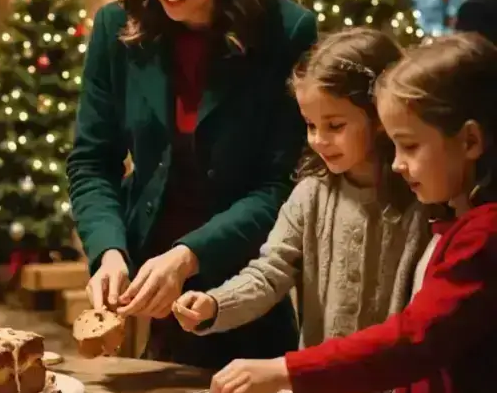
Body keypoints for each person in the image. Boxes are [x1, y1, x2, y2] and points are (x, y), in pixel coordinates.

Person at [66, 0, 317, 369]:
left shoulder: (285, 31)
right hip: (152, 285)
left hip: (249, 282)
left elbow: (282, 185)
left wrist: (189, 255)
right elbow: (92, 162)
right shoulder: (116, 28)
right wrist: (108, 249)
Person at [210, 33, 497, 393]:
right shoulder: (454, 219)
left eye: (410, 146)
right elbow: (270, 269)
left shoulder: (481, 235)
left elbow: (413, 340)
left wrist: (286, 371)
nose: (398, 163)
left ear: (470, 141)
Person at [173, 28, 430, 356]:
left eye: (335, 126)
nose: (319, 140)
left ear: (379, 115)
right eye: (310, 125)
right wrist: (214, 304)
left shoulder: (421, 200)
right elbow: (269, 273)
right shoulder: (309, 196)